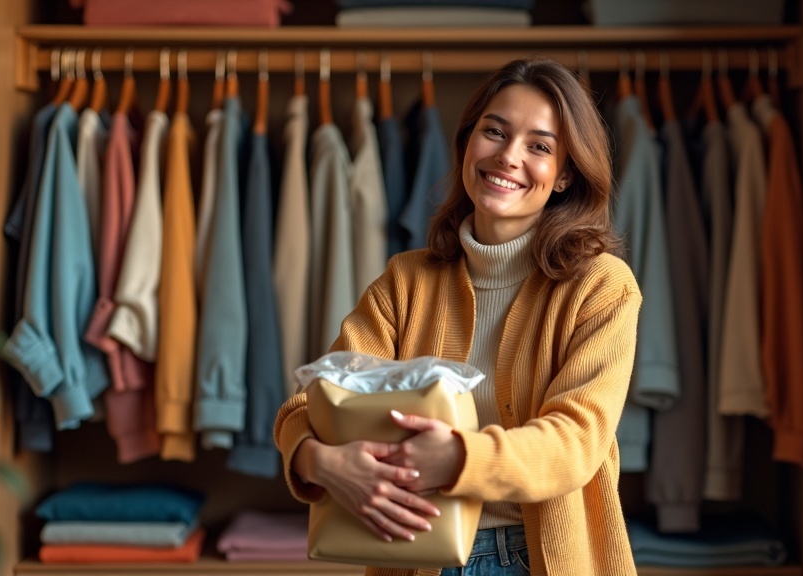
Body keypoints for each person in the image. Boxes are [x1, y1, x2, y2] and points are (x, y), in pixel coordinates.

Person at [274, 58, 641, 576]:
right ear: (468, 143)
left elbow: (577, 440)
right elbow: (311, 403)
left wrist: (456, 458)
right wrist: (320, 462)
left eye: (539, 146)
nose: (509, 156)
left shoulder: (601, 286)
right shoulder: (405, 282)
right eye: (494, 131)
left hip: (542, 560)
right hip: (418, 556)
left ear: (563, 176)